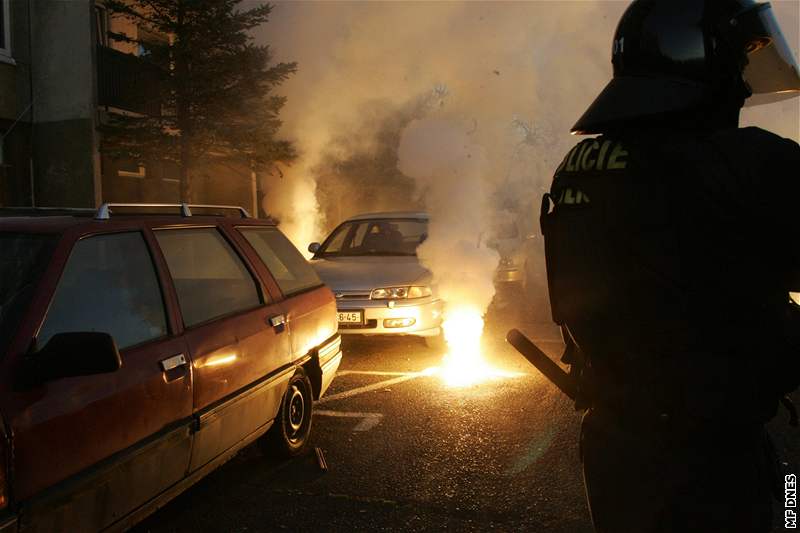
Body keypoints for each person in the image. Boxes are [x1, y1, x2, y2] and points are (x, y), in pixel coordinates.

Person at [540, 1, 800, 531]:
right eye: (739, 66)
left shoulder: (581, 166)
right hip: (710, 458)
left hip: (614, 443)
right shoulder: (748, 164)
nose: (746, 88)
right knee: (787, 513)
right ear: (705, 67)